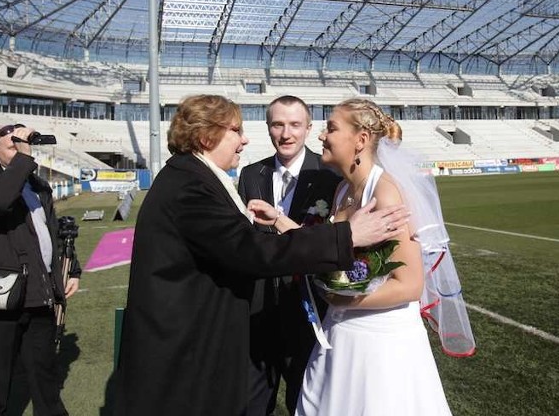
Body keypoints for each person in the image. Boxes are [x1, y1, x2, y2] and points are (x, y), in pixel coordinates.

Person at [114, 94, 409, 416]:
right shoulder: (191, 186)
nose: (245, 140)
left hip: (298, 326)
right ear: (206, 136)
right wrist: (346, 235)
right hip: (192, 344)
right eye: (236, 130)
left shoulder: (191, 178)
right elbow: (251, 250)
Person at [248, 98, 475, 416]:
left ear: (361, 140)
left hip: (380, 345)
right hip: (338, 334)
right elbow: (332, 244)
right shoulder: (342, 190)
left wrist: (340, 298)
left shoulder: (387, 193)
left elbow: (409, 286)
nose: (322, 136)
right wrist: (279, 220)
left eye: (331, 128)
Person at [0, 123, 81, 416]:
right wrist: (24, 157)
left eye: (23, 145)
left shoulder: (38, 186)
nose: (20, 151)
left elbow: (50, 234)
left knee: (44, 374)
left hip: (38, 294)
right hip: (0, 296)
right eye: (13, 145)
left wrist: (73, 270)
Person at [238, 96, 341, 416]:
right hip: (258, 314)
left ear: (309, 128)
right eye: (277, 124)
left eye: (295, 124)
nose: (286, 133)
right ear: (268, 127)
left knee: (306, 403)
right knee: (252, 404)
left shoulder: (330, 177)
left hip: (309, 313)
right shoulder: (251, 174)